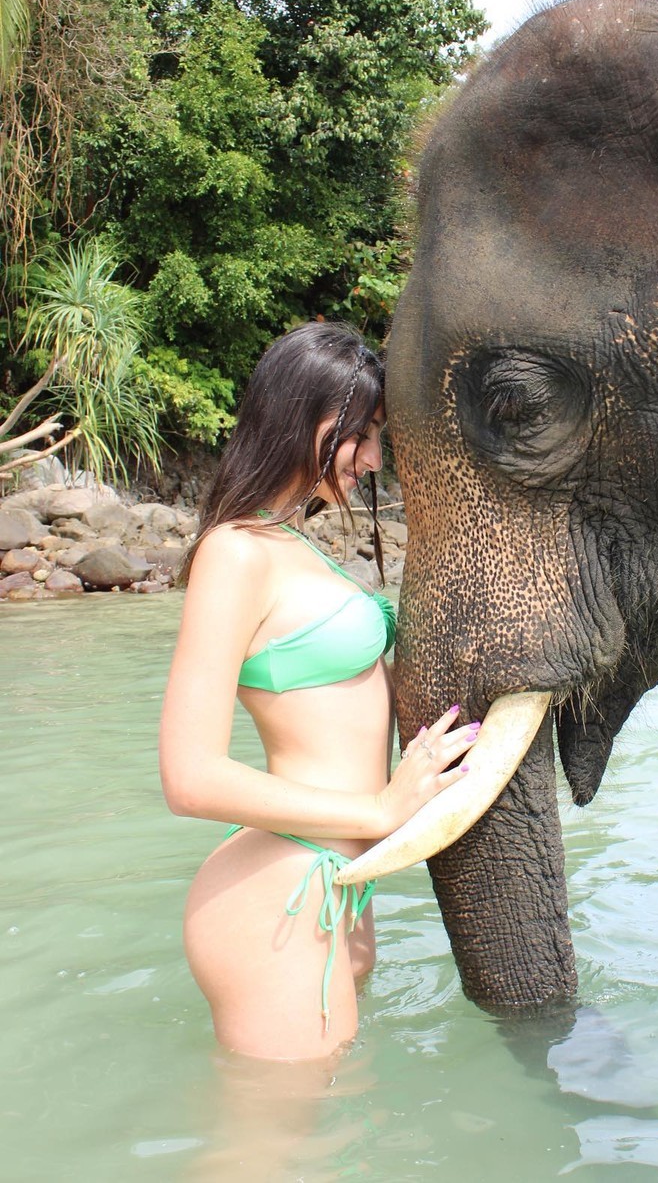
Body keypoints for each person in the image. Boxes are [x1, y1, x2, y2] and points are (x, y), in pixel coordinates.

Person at [159, 321, 476, 1061]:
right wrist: (377, 810)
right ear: (303, 418)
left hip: (334, 887)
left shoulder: (296, 545)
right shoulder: (234, 552)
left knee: (336, 1125)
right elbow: (189, 778)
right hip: (279, 897)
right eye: (360, 435)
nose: (374, 458)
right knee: (273, 1132)